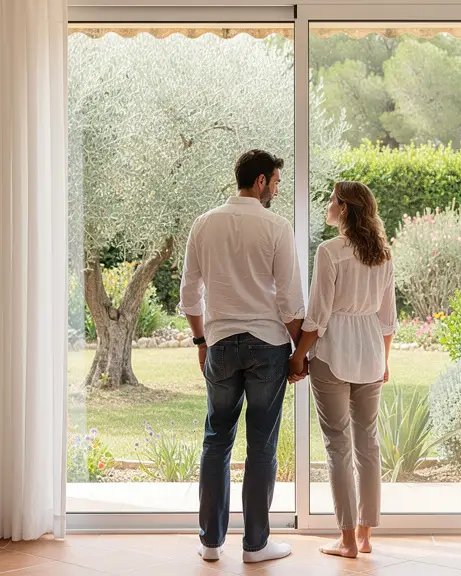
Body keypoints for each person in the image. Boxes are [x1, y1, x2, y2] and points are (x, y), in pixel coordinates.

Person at [179, 149, 303, 564]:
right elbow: (289, 300)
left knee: (216, 440)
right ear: (261, 180)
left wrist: (201, 342)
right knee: (261, 446)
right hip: (267, 345)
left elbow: (189, 294)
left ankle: (211, 543)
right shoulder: (276, 226)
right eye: (276, 182)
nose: (277, 191)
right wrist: (299, 352)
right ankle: (256, 546)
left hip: (220, 344)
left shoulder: (204, 224)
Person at [289, 181, 396, 558]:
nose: (327, 206)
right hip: (371, 354)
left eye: (332, 201)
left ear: (345, 209)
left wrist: (299, 356)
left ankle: (346, 539)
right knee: (368, 444)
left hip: (333, 353)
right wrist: (384, 361)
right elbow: (387, 319)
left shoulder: (330, 251)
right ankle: (364, 536)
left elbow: (318, 315)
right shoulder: (383, 254)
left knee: (338, 446)